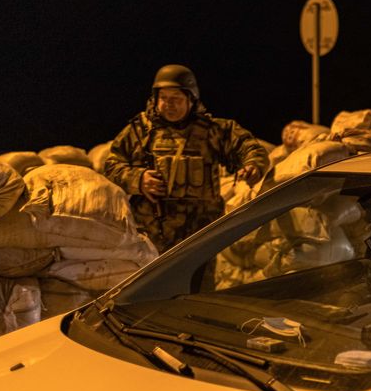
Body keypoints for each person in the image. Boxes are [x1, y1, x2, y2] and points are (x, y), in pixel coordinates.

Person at [104, 64, 269, 252]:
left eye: (176, 99)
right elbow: (111, 167)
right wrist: (138, 180)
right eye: (163, 98)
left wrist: (252, 166)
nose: (169, 105)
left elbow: (249, 148)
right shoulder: (140, 131)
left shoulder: (212, 131)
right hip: (152, 238)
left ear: (191, 99)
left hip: (200, 238)